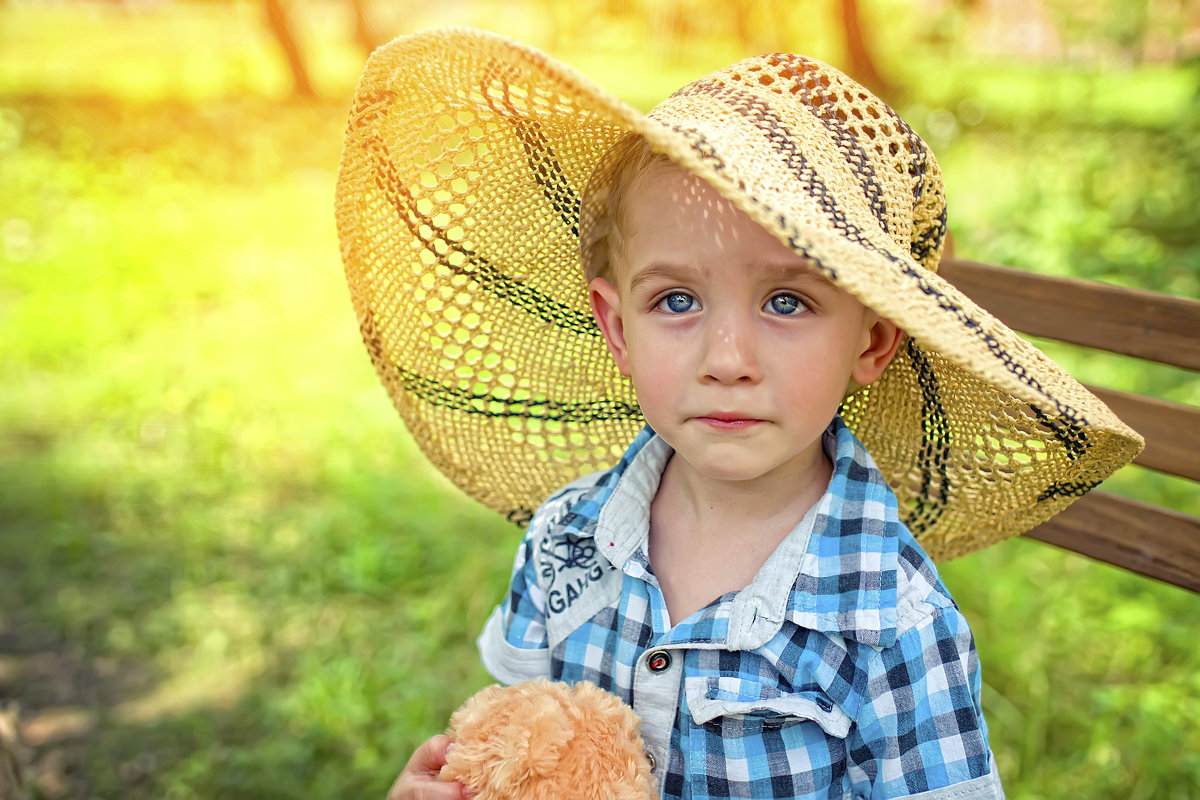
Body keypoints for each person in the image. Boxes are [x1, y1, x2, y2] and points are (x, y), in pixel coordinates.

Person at [334, 28, 1141, 800]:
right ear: (618, 328)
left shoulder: (893, 626)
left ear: (873, 342)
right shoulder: (566, 540)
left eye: (787, 301)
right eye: (676, 299)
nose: (727, 357)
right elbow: (511, 746)